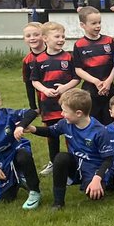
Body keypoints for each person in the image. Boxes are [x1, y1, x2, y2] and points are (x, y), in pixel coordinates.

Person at [22, 87, 114, 210]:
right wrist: (33, 129)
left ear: (79, 113)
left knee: (95, 196)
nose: (62, 114)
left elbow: (108, 159)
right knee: (60, 158)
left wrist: (97, 179)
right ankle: (58, 203)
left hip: (93, 168)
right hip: (75, 165)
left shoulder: (100, 131)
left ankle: (103, 182)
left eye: (65, 111)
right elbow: (51, 131)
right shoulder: (65, 123)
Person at [29, 21, 80, 172]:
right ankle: (54, 162)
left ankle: (74, 161)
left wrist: (65, 88)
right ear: (45, 38)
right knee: (52, 135)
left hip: (67, 105)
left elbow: (76, 78)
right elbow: (34, 81)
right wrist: (44, 90)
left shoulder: (68, 58)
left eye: (63, 36)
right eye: (57, 36)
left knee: (71, 133)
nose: (61, 39)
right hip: (48, 106)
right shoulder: (38, 60)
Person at [72, 7, 114, 124]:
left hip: (109, 89)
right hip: (90, 91)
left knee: (110, 121)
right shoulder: (79, 44)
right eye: (93, 23)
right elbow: (78, 69)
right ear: (83, 25)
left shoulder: (109, 41)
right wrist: (96, 81)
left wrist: (108, 81)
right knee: (92, 122)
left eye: (99, 22)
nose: (98, 26)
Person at [20, 22, 46, 110]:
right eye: (28, 36)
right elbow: (29, 85)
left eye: (36, 35)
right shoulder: (27, 60)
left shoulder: (56, 54)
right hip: (42, 99)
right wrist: (33, 106)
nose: (32, 38)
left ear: (44, 36)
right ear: (24, 39)